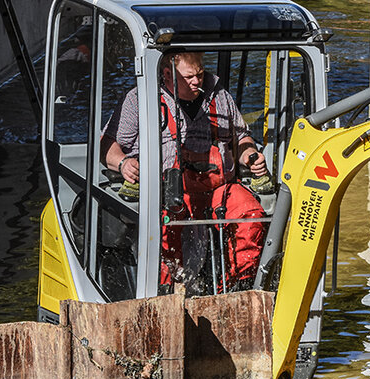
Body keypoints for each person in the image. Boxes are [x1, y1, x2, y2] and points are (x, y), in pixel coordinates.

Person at [100, 51, 270, 290]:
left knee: (251, 215)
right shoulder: (140, 97)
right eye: (190, 77)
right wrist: (123, 163)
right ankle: (165, 293)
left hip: (218, 188)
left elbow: (241, 137)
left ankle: (239, 288)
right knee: (166, 230)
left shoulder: (219, 94)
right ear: (168, 74)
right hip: (169, 189)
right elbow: (107, 146)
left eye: (200, 74)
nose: (197, 81)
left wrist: (249, 155)